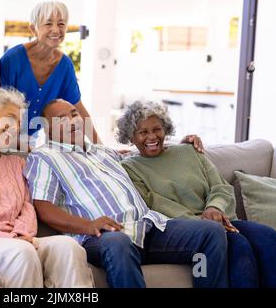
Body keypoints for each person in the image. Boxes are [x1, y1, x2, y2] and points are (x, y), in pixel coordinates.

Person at [23, 99, 229, 288]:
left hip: (148, 226)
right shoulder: (44, 157)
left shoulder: (102, 152)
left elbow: (145, 151)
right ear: (47, 129)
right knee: (117, 241)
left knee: (210, 232)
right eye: (61, 119)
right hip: (101, 237)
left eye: (74, 113)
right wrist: (89, 225)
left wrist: (180, 145)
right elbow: (44, 209)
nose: (72, 121)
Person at [0, 86, 94, 288]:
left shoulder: (17, 163)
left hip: (19, 240)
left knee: (68, 247)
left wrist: (23, 234)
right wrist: (9, 237)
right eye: (10, 119)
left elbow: (27, 207)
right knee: (22, 253)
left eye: (20, 124)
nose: (15, 129)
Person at [118, 100, 276, 288]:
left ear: (165, 129)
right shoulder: (129, 167)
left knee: (268, 237)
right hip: (191, 230)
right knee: (239, 246)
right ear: (131, 137)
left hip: (223, 220)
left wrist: (213, 208)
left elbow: (221, 187)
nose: (152, 137)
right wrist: (203, 223)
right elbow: (154, 204)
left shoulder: (189, 151)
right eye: (143, 132)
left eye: (157, 129)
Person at [0, 1, 101, 145]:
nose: (55, 30)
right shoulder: (12, 59)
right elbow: (0, 105)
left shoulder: (65, 65)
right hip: (5, 133)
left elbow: (77, 107)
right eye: (48, 24)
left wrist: (100, 146)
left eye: (61, 24)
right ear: (33, 29)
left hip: (32, 138)